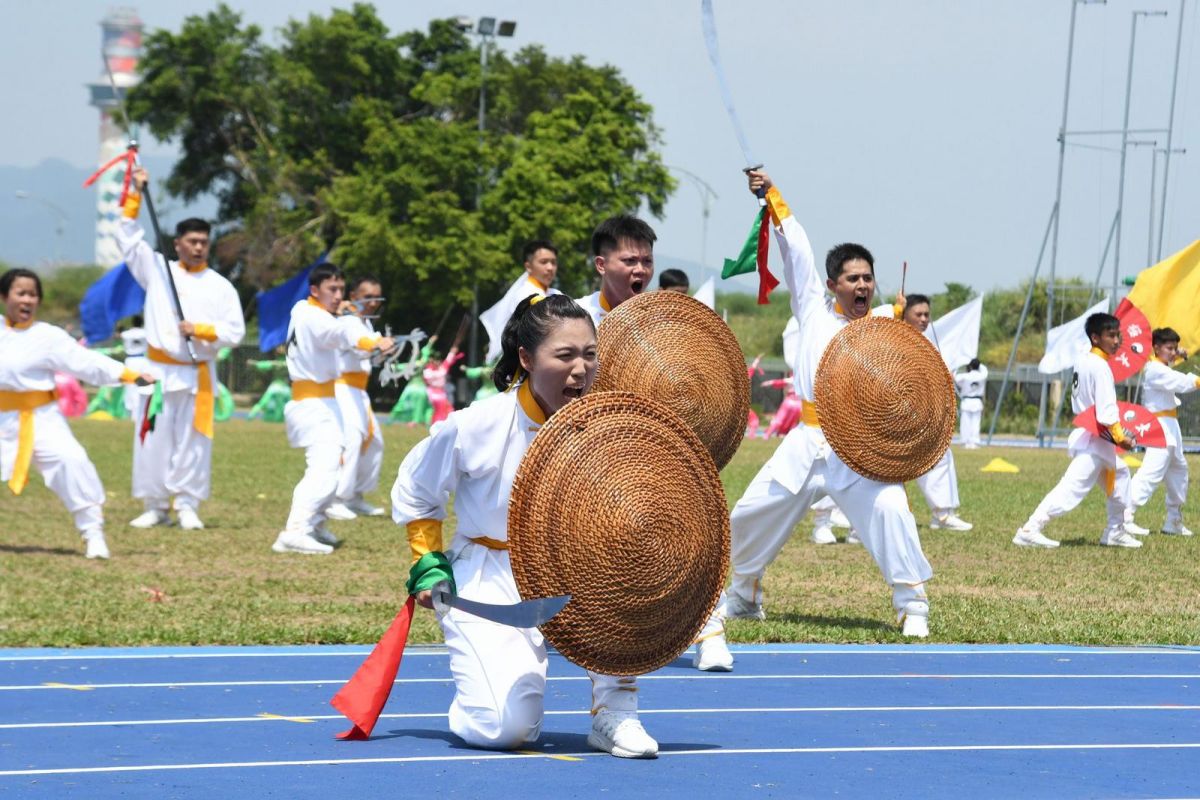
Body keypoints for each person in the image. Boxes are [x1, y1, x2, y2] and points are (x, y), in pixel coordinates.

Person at [392, 294, 659, 758]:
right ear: (526, 358)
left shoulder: (609, 424)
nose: (581, 368)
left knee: (629, 566)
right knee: (506, 729)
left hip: (580, 568)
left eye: (590, 355)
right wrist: (429, 563)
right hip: (491, 574)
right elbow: (417, 488)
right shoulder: (476, 424)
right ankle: (479, 694)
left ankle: (615, 710)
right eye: (565, 355)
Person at [695, 170, 933, 673]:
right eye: (853, 278)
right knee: (749, 513)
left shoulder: (885, 330)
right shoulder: (813, 312)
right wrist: (774, 199)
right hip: (806, 440)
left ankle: (912, 606)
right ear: (832, 285)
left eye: (868, 277)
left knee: (890, 509)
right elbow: (797, 252)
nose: (863, 284)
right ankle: (745, 593)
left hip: (859, 447)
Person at [118, 167, 246, 532]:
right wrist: (136, 195)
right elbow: (127, 240)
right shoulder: (157, 270)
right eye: (191, 241)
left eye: (203, 241)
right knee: (152, 436)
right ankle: (155, 504)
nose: (198, 247)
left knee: (193, 441)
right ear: (177, 244)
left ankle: (186, 503)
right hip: (157, 371)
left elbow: (234, 331)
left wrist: (201, 330)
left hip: (197, 372)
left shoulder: (221, 286)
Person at [1, 268, 156, 559]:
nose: (27, 299)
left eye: (33, 294)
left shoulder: (47, 336)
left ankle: (93, 535)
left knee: (72, 461)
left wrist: (128, 374)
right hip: (1, 419)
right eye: (20, 293)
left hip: (42, 418)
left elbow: (85, 362)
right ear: (4, 296)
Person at [273, 263, 394, 555]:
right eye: (332, 289)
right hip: (312, 402)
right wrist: (375, 340)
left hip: (324, 401)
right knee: (323, 469)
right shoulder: (313, 316)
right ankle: (295, 530)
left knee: (332, 465)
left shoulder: (309, 311)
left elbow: (340, 331)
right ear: (315, 290)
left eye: (341, 288)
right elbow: (341, 336)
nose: (339, 295)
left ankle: (313, 524)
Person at [1014, 313, 1142, 549]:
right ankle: (1030, 529)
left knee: (1121, 476)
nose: (1117, 341)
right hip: (1096, 438)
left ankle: (1115, 530)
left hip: (1093, 436)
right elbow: (1105, 410)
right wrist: (1121, 438)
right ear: (1095, 338)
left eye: (1118, 335)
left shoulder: (1083, 360)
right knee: (1070, 489)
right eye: (1111, 336)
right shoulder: (1100, 366)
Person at [898, 294, 973, 532]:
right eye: (918, 314)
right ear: (904, 314)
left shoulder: (923, 344)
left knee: (940, 457)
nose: (923, 319)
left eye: (926, 315)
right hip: (897, 418)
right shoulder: (896, 341)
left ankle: (942, 514)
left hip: (920, 418)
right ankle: (832, 516)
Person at [325, 276, 388, 521]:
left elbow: (372, 356)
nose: (372, 303)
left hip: (359, 390)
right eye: (367, 297)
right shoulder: (348, 320)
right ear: (354, 296)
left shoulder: (366, 322)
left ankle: (356, 496)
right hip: (343, 387)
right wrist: (377, 344)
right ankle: (336, 498)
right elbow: (360, 343)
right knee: (351, 439)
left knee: (374, 442)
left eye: (376, 297)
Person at [1127, 328, 1198, 536]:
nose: (1172, 351)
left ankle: (1173, 520)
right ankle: (1124, 515)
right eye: (1168, 348)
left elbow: (1169, 367)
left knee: (1179, 470)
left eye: (1174, 347)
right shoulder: (1154, 369)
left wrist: (1177, 354)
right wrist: (1197, 380)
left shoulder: (1162, 365)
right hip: (1158, 425)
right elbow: (1180, 382)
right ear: (1156, 347)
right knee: (1151, 471)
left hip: (1170, 424)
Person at [480, 241, 562, 364]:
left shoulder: (556, 293)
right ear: (528, 266)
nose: (550, 267)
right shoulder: (526, 295)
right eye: (544, 262)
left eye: (553, 262)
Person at [576, 215, 657, 325]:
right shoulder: (574, 317)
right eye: (630, 260)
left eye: (647, 261)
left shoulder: (659, 322)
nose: (640, 270)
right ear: (601, 265)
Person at [424, 345, 464, 425]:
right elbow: (428, 379)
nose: (438, 362)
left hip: (442, 392)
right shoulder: (428, 370)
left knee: (446, 408)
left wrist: (453, 352)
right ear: (431, 360)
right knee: (438, 409)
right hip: (432, 392)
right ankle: (435, 423)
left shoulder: (442, 368)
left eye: (439, 360)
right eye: (435, 360)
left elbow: (448, 360)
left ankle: (441, 423)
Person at [956, 358, 988, 449]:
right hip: (977, 401)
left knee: (966, 422)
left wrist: (967, 362)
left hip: (967, 401)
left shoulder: (965, 376)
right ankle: (975, 442)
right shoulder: (983, 375)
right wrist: (978, 363)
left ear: (970, 366)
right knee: (976, 422)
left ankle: (965, 441)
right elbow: (984, 369)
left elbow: (955, 377)